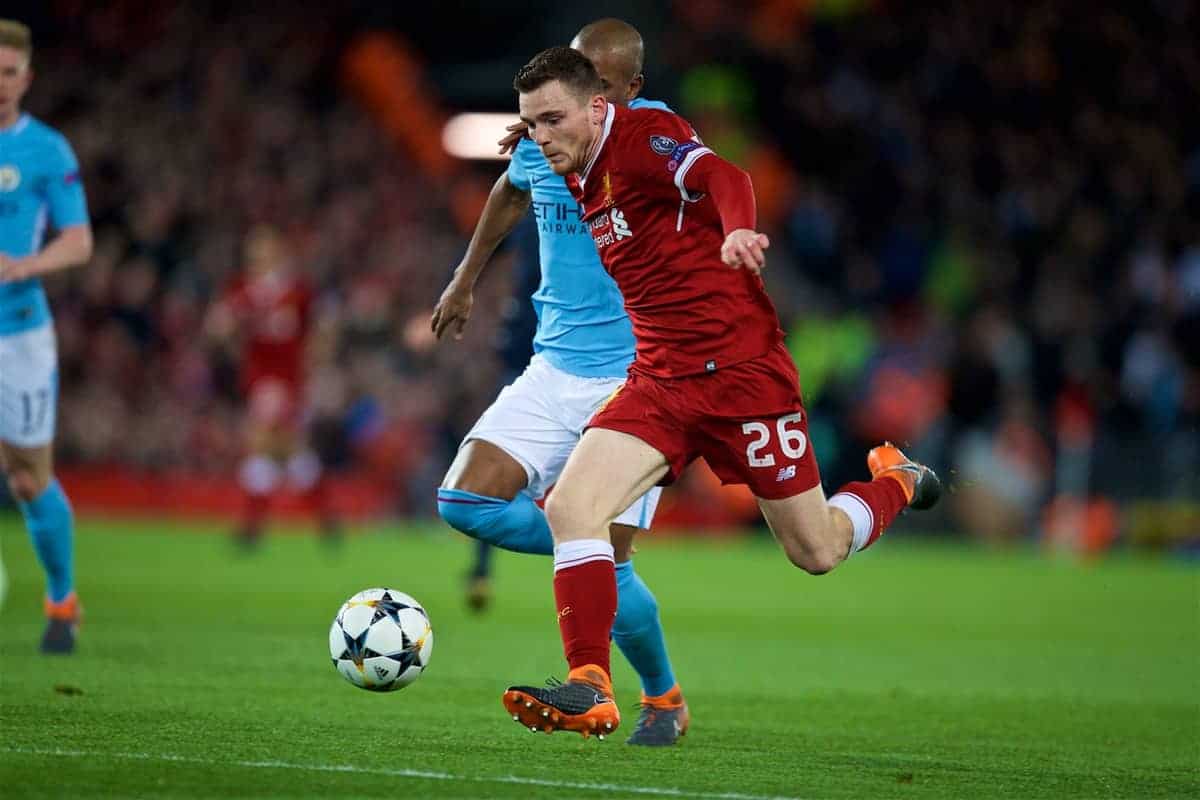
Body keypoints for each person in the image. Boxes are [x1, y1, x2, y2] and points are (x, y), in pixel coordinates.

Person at [500, 47, 941, 738]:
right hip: (661, 382)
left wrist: (736, 226)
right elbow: (529, 163)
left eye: (552, 119)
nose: (541, 135)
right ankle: (590, 683)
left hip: (744, 379)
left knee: (816, 551)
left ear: (596, 108)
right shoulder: (572, 164)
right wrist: (533, 137)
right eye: (531, 125)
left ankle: (899, 480)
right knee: (572, 507)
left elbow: (721, 174)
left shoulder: (641, 140)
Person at [431, 20, 689, 746]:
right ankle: (590, 548)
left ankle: (661, 697)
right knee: (463, 500)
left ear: (630, 91)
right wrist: (465, 278)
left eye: (599, 87)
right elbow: (509, 193)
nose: (581, 103)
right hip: (553, 368)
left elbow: (706, 180)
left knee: (608, 553)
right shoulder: (545, 144)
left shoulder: (655, 141)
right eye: (572, 85)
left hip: (637, 378)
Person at [0, 19, 93, 654]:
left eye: (8, 72)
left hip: (19, 333)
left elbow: (79, 241)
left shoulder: (47, 151)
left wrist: (23, 266)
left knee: (29, 479)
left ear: (26, 79)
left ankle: (61, 599)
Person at [206, 224, 340, 547]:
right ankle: (327, 522)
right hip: (258, 380)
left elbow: (324, 325)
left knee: (262, 442)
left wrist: (317, 361)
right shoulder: (242, 290)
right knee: (289, 453)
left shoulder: (296, 291)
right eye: (253, 251)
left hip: (287, 382)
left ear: (276, 253)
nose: (256, 256)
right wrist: (225, 331)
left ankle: (252, 527)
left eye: (262, 250)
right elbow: (217, 325)